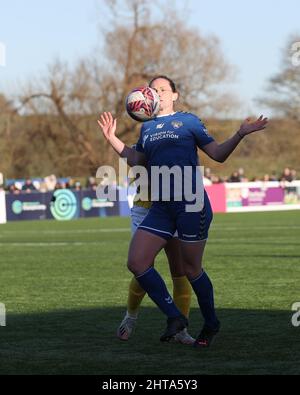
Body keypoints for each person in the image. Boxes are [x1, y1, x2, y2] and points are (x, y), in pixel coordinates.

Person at [97, 75, 268, 348]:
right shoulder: (147, 127)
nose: (158, 93)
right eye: (154, 90)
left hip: (191, 204)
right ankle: (175, 318)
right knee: (137, 263)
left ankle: (211, 323)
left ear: (174, 95)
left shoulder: (189, 121)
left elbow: (218, 154)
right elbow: (139, 160)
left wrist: (240, 134)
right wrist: (113, 139)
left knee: (190, 269)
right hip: (162, 207)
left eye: (163, 90)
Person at [117, 163, 194, 345]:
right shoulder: (145, 142)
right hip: (144, 210)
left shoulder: (181, 139)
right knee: (143, 268)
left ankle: (181, 330)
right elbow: (138, 168)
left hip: (173, 208)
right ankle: (131, 317)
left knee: (179, 269)